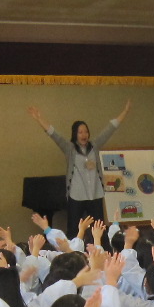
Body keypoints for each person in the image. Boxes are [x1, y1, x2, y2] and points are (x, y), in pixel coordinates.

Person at [27, 100, 131, 234]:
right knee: (73, 229)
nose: (84, 135)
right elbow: (53, 134)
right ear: (75, 134)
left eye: (86, 132)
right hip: (76, 195)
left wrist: (125, 112)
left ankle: (100, 250)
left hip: (95, 193)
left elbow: (110, 129)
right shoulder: (69, 148)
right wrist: (39, 119)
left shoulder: (95, 145)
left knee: (99, 228)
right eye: (80, 132)